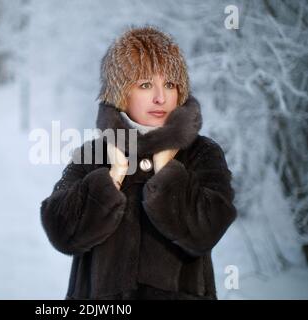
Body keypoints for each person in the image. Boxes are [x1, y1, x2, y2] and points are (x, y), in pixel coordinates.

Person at [40, 25, 237, 300]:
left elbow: (208, 230)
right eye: (146, 85)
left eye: (169, 84)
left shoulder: (202, 153)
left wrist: (168, 173)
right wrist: (112, 179)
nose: (160, 97)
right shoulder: (93, 153)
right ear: (121, 92)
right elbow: (60, 231)